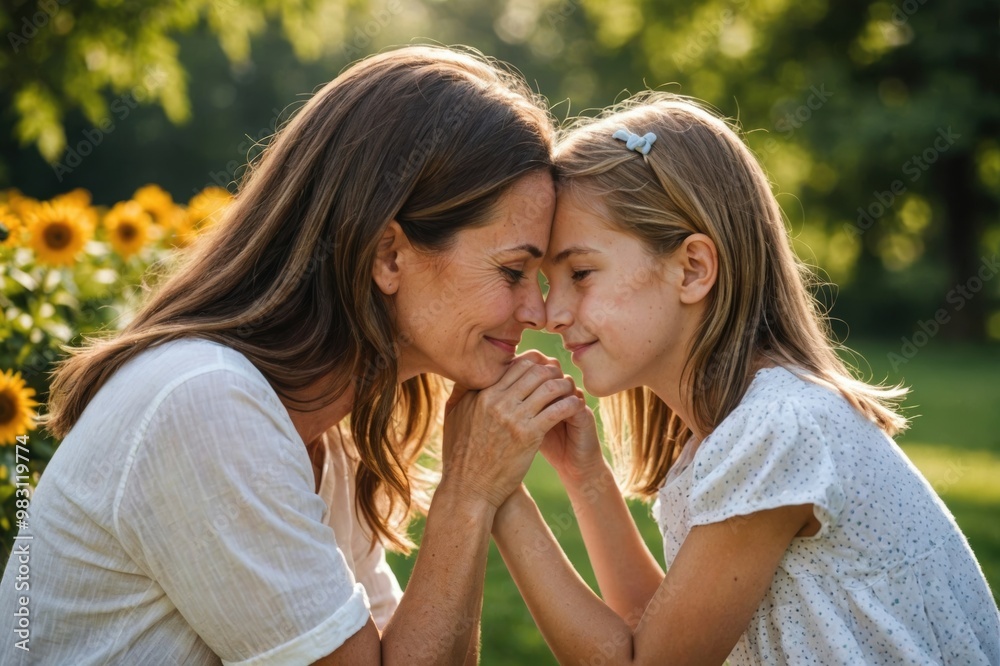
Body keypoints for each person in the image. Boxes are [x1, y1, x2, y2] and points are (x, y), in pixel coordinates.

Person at [0, 45, 586, 665]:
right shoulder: (207, 405)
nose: (540, 312)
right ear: (388, 256)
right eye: (514, 270)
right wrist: (467, 494)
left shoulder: (326, 437)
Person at [484, 93, 1000, 664]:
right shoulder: (727, 435)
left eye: (581, 273)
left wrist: (494, 491)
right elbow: (648, 631)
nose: (553, 314)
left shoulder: (777, 427)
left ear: (693, 268)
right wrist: (585, 478)